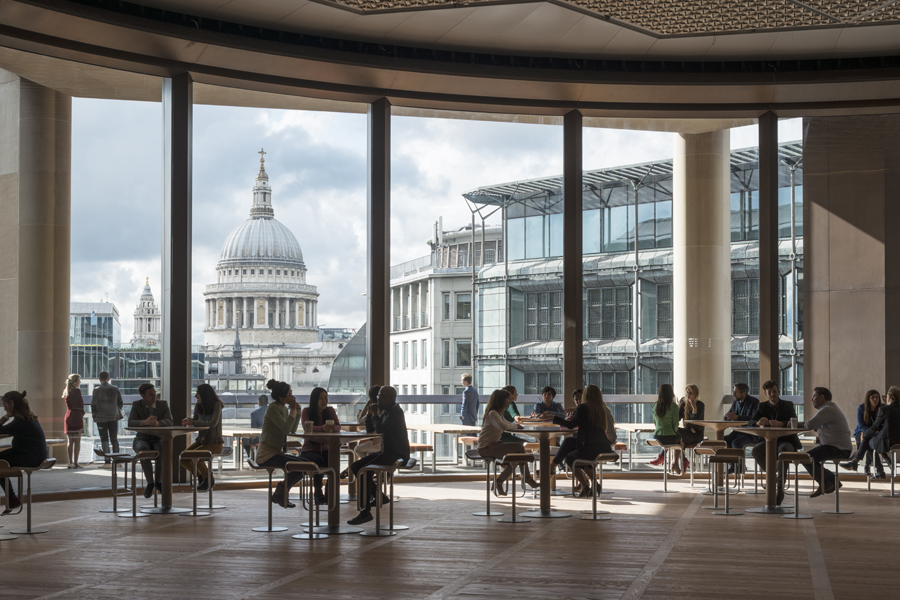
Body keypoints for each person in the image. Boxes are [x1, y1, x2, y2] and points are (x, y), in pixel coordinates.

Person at [348, 386, 411, 525]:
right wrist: (370, 414)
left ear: (391, 398)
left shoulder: (395, 411)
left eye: (381, 396)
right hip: (387, 451)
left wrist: (375, 414)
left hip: (396, 454)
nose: (378, 399)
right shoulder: (386, 411)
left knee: (364, 472)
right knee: (356, 466)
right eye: (378, 396)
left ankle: (365, 512)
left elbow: (381, 429)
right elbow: (371, 430)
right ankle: (379, 497)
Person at [256, 379, 311, 508]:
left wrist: (296, 411)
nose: (292, 396)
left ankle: (281, 492)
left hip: (275, 453)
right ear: (281, 397)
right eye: (289, 394)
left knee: (304, 464)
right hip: (266, 455)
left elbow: (291, 429)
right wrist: (292, 409)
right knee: (301, 466)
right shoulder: (272, 409)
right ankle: (280, 492)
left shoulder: (283, 409)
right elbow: (286, 429)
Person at [552, 385, 614, 497]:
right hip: (604, 447)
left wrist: (554, 419)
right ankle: (593, 483)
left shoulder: (583, 407)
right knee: (571, 446)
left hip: (589, 447)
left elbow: (571, 425)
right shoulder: (601, 409)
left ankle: (585, 485)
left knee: (570, 458)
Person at [475, 389, 538, 496]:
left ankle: (500, 482)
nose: (509, 401)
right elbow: (504, 426)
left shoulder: (498, 414)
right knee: (519, 448)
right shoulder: (493, 413)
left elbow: (507, 423)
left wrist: (515, 426)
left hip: (492, 445)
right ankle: (527, 478)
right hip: (486, 448)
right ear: (502, 400)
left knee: (517, 456)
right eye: (508, 399)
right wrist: (516, 426)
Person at [749, 380, 801, 505]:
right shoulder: (762, 406)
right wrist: (758, 422)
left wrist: (782, 423)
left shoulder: (788, 405)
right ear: (766, 394)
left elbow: (793, 421)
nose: (772, 394)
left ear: (779, 392)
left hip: (786, 440)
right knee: (755, 451)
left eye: (774, 391)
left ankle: (780, 487)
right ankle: (773, 477)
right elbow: (751, 422)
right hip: (768, 441)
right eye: (769, 392)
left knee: (784, 452)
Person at [800, 387, 853, 497]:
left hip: (838, 449)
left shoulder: (827, 409)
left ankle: (826, 483)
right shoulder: (829, 409)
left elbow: (809, 425)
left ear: (822, 397)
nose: (812, 399)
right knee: (808, 458)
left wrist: (796, 424)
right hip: (838, 447)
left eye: (814, 396)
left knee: (805, 458)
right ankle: (831, 481)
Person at [0, 391, 47, 513]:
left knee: (0, 463)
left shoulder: (19, 421)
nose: (4, 408)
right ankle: (11, 498)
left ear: (11, 404)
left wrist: (5, 417)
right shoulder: (28, 417)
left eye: (5, 405)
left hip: (30, 457)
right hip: (34, 454)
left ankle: (12, 498)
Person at [128, 383, 173, 498]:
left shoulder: (163, 404)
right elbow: (130, 422)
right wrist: (144, 422)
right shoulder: (137, 405)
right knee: (143, 450)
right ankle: (150, 482)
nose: (155, 396)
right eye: (151, 394)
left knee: (164, 448)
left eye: (155, 393)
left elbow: (170, 421)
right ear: (143, 396)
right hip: (142, 438)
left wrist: (159, 423)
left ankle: (158, 481)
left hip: (158, 438)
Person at [179, 384, 224, 491]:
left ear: (205, 394)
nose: (195, 396)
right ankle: (201, 477)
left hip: (214, 443)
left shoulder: (217, 405)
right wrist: (188, 420)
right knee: (183, 458)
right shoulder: (199, 405)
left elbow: (213, 423)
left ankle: (208, 479)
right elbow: (195, 421)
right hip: (201, 441)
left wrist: (193, 422)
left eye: (198, 393)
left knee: (197, 456)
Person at [300, 387, 341, 505]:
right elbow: (307, 428)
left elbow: (338, 426)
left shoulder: (330, 410)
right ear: (314, 400)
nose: (324, 401)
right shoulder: (306, 411)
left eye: (326, 398)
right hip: (309, 450)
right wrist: (323, 428)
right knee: (319, 460)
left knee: (333, 461)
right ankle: (318, 491)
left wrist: (333, 428)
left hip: (326, 448)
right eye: (321, 398)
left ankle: (330, 490)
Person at [841, 389, 885, 476]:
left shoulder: (882, 407)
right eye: (873, 397)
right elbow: (861, 425)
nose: (875, 399)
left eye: (877, 397)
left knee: (867, 440)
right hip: (861, 432)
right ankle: (875, 468)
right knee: (868, 440)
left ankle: (855, 462)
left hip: (874, 433)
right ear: (868, 398)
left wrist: (870, 433)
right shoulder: (861, 408)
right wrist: (868, 433)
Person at [861, 385, 900, 479]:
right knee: (871, 440)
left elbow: (874, 427)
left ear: (889, 397)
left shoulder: (884, 409)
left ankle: (877, 468)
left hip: (889, 442)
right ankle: (881, 467)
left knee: (868, 441)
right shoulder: (886, 409)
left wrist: (865, 435)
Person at [92, 371, 124, 464]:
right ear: (108, 378)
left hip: (101, 418)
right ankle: (116, 458)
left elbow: (94, 405)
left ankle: (107, 459)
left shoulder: (96, 390)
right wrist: (115, 411)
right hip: (113, 417)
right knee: (114, 438)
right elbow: (120, 402)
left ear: (99, 379)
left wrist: (95, 416)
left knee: (104, 438)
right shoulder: (115, 388)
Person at [674, 384, 705, 474]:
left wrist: (694, 410)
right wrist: (678, 407)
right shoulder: (684, 405)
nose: (688, 395)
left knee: (677, 436)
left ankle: (679, 461)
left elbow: (699, 425)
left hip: (697, 434)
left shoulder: (700, 405)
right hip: (688, 432)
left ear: (695, 394)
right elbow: (676, 420)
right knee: (675, 433)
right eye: (687, 393)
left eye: (690, 393)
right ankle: (682, 461)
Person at [650, 384, 681, 472]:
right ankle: (676, 463)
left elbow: (655, 423)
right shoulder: (674, 406)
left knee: (676, 440)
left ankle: (663, 457)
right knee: (680, 439)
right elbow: (675, 425)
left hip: (657, 437)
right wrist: (674, 431)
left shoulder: (655, 405)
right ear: (671, 394)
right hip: (669, 437)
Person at [724, 383, 760, 450]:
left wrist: (737, 417)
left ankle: (739, 460)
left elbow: (754, 418)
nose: (733, 394)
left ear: (744, 393)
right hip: (737, 432)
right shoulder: (736, 402)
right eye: (733, 391)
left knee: (736, 443)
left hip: (750, 434)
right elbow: (726, 415)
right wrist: (728, 416)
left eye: (736, 392)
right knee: (723, 440)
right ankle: (729, 460)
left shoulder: (754, 402)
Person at [352, 386, 383, 459]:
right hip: (384, 441)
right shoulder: (384, 409)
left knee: (357, 449)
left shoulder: (375, 409)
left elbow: (360, 421)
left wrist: (366, 407)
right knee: (364, 447)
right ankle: (371, 467)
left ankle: (370, 467)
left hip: (379, 442)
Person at [63, 373, 85, 468]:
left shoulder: (65, 391)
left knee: (70, 442)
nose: (80, 382)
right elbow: (81, 404)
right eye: (79, 380)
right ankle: (76, 462)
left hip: (68, 416)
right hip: (77, 417)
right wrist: (82, 414)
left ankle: (70, 462)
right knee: (77, 442)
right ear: (75, 382)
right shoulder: (77, 391)